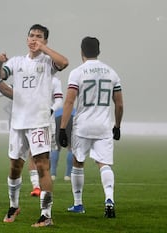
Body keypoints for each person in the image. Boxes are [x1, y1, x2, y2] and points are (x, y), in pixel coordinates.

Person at [0, 24, 68, 227]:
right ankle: (13, 205)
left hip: (39, 122)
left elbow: (64, 62)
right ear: (26, 39)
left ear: (45, 41)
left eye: (39, 37)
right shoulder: (17, 62)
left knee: (43, 166)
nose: (34, 39)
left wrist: (43, 48)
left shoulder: (47, 62)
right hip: (18, 123)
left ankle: (46, 214)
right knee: (15, 166)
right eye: (32, 36)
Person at [59, 36, 124, 218]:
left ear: (81, 52)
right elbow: (119, 104)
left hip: (83, 126)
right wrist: (117, 126)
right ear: (99, 51)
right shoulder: (112, 73)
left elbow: (69, 101)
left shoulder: (77, 73)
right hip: (103, 127)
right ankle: (109, 199)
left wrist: (62, 128)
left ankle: (78, 204)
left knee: (78, 163)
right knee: (104, 164)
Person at [30, 76, 63, 196]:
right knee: (32, 153)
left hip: (47, 122)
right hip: (31, 120)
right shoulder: (30, 76)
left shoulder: (54, 81)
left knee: (44, 156)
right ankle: (36, 186)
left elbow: (59, 101)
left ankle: (44, 183)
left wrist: (51, 110)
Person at [50, 107, 75, 181]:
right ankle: (67, 175)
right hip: (71, 117)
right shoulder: (73, 109)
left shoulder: (57, 109)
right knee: (71, 147)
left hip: (57, 118)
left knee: (56, 147)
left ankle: (53, 174)